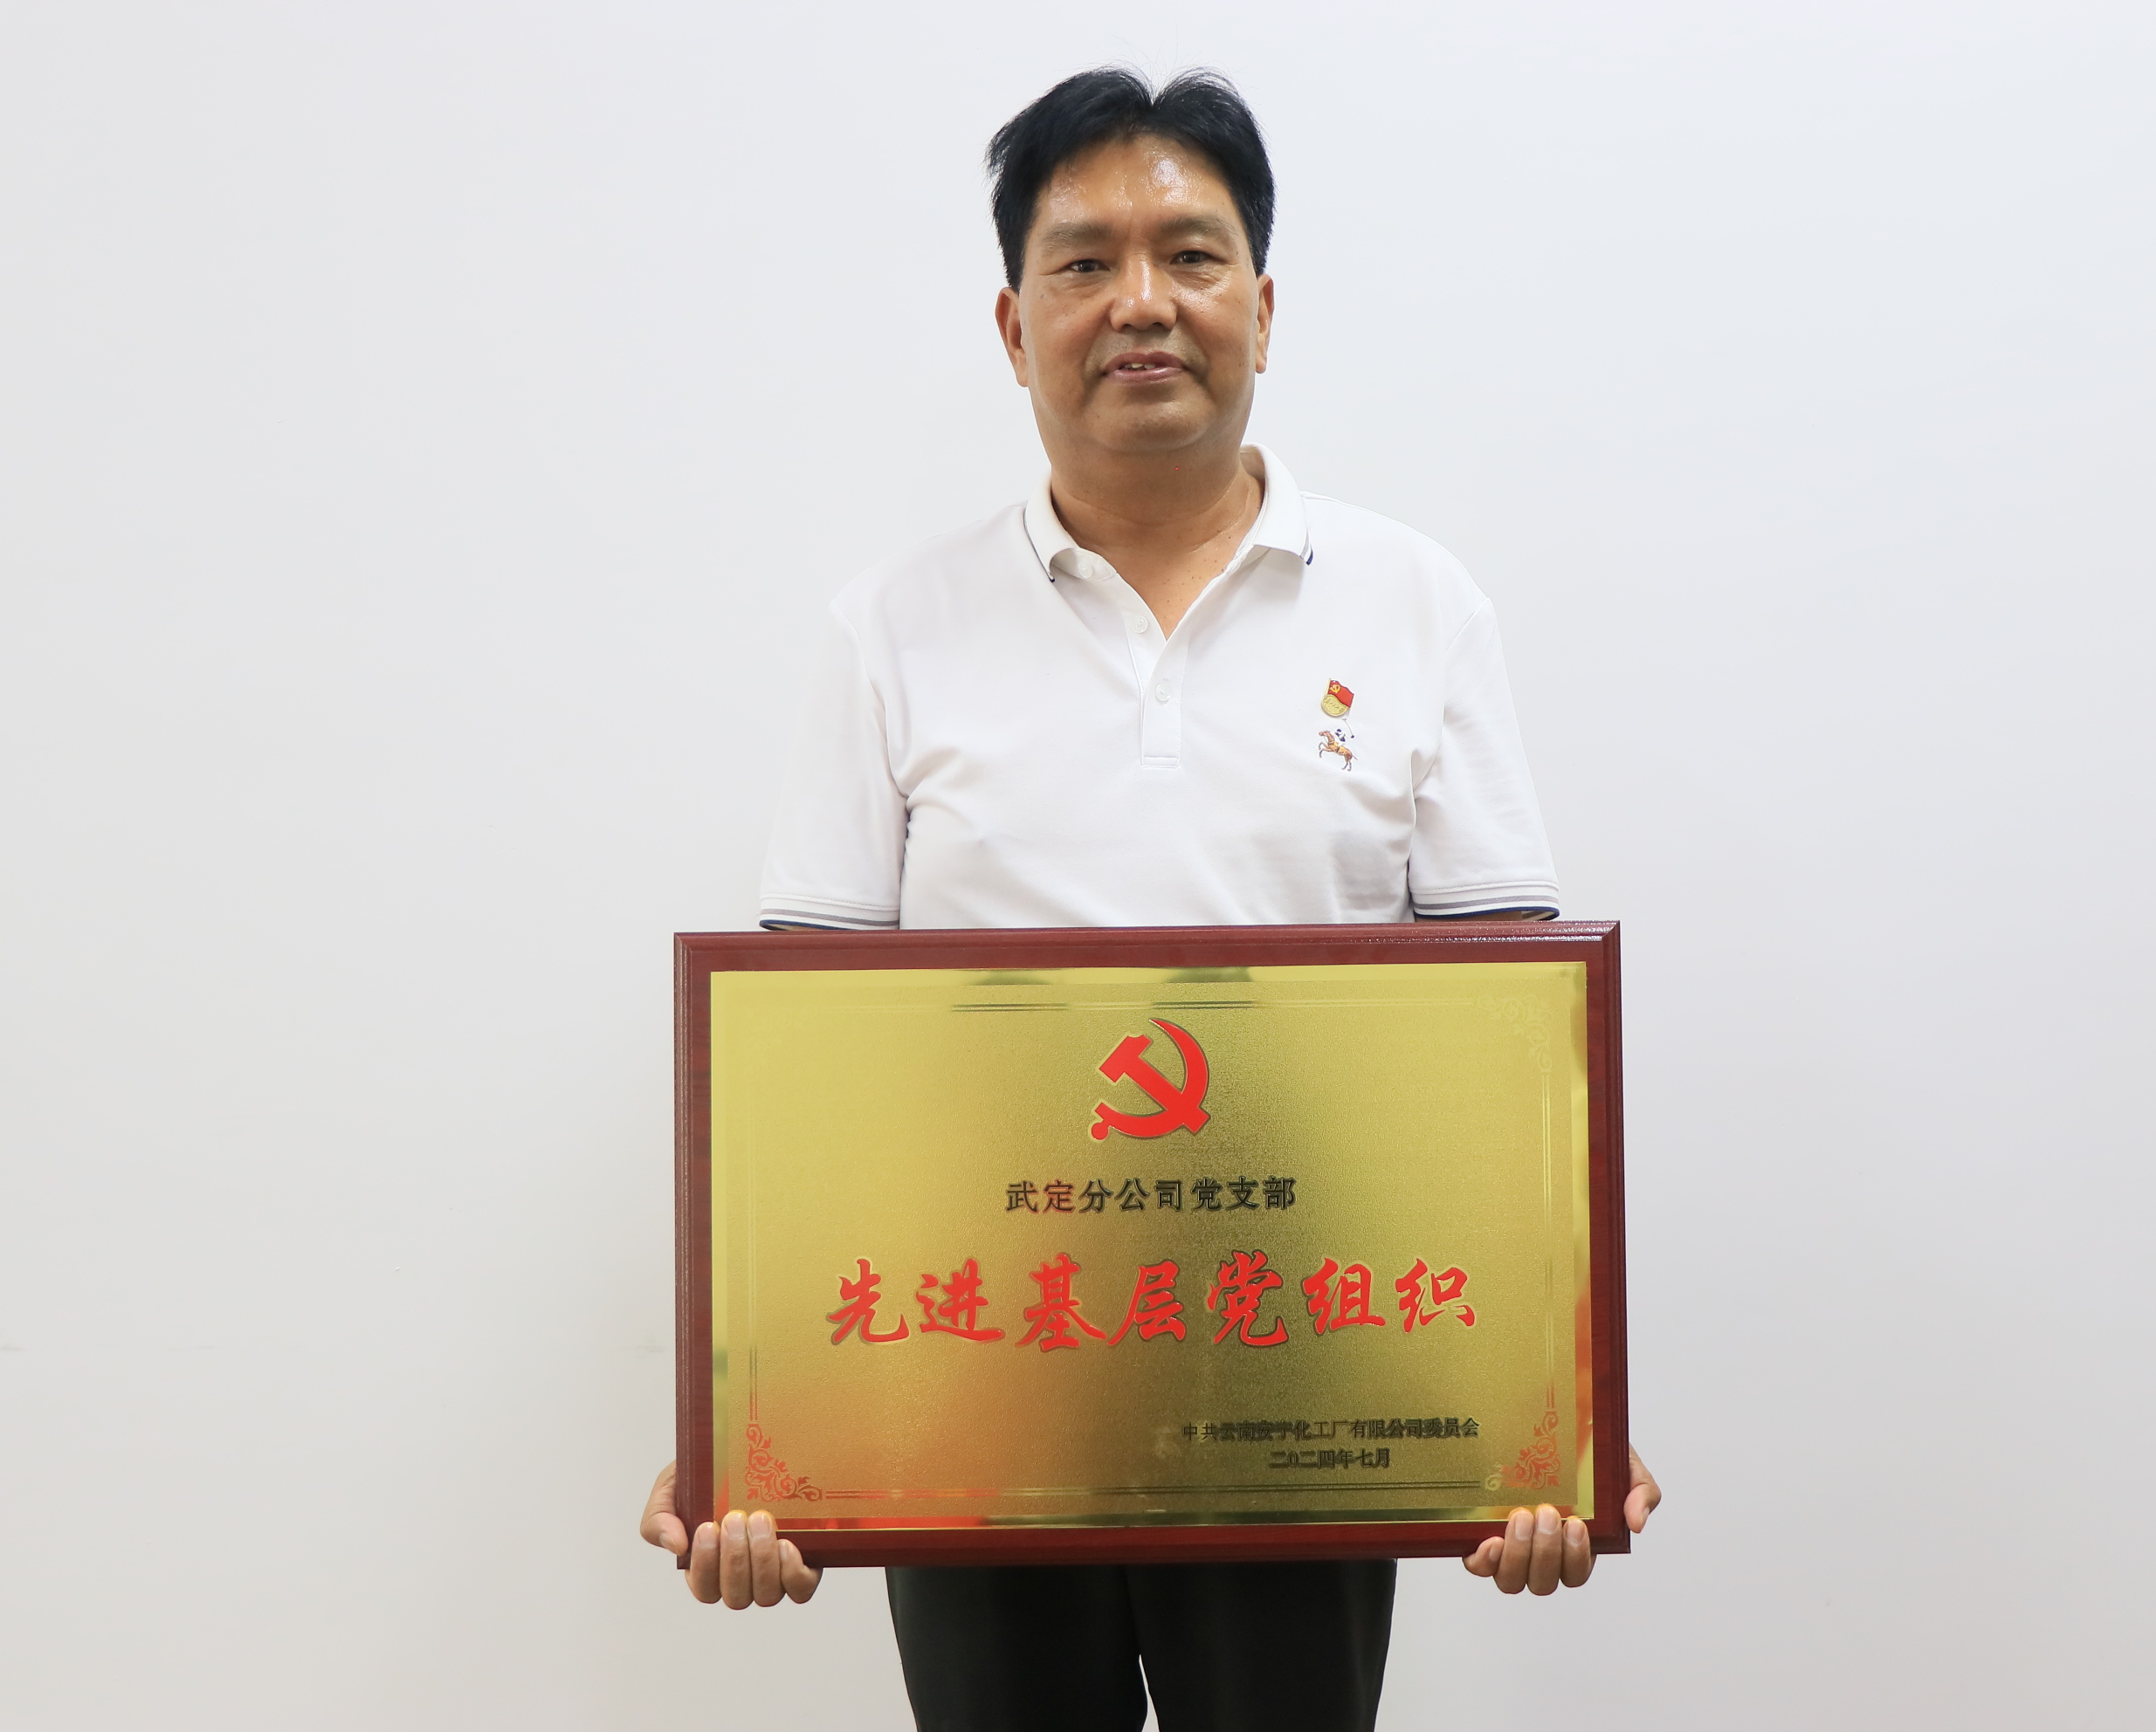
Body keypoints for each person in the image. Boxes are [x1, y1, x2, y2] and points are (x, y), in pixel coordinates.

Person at [635, 66, 1661, 1732]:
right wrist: (751, 1427)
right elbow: (807, 1086)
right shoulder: (893, 630)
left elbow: (1501, 1055)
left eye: (1190, 255)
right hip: (976, 1394)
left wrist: (1554, 1406)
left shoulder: (1416, 606)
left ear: (1264, 304)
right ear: (1012, 322)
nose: (1141, 303)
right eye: (1084, 262)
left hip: (1308, 1372)